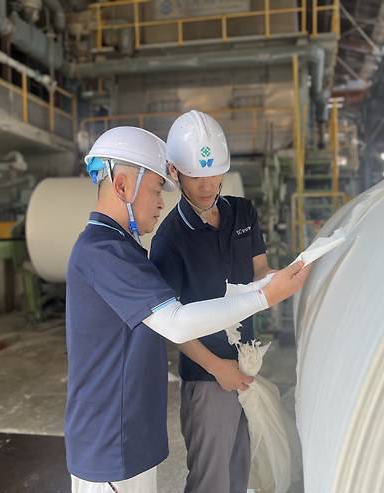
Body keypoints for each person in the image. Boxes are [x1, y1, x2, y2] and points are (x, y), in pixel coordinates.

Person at [64, 125, 310, 493]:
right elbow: (176, 323)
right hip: (109, 440)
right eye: (155, 190)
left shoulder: (123, 248)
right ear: (122, 187)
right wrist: (265, 297)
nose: (161, 202)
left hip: (126, 432)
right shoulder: (104, 252)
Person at [150, 110, 271, 493]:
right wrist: (219, 368)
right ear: (174, 172)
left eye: (214, 173)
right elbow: (170, 323)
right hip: (207, 377)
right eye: (196, 175)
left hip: (247, 364)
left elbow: (261, 275)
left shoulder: (243, 213)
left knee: (239, 469)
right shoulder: (170, 240)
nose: (207, 185)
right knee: (210, 480)